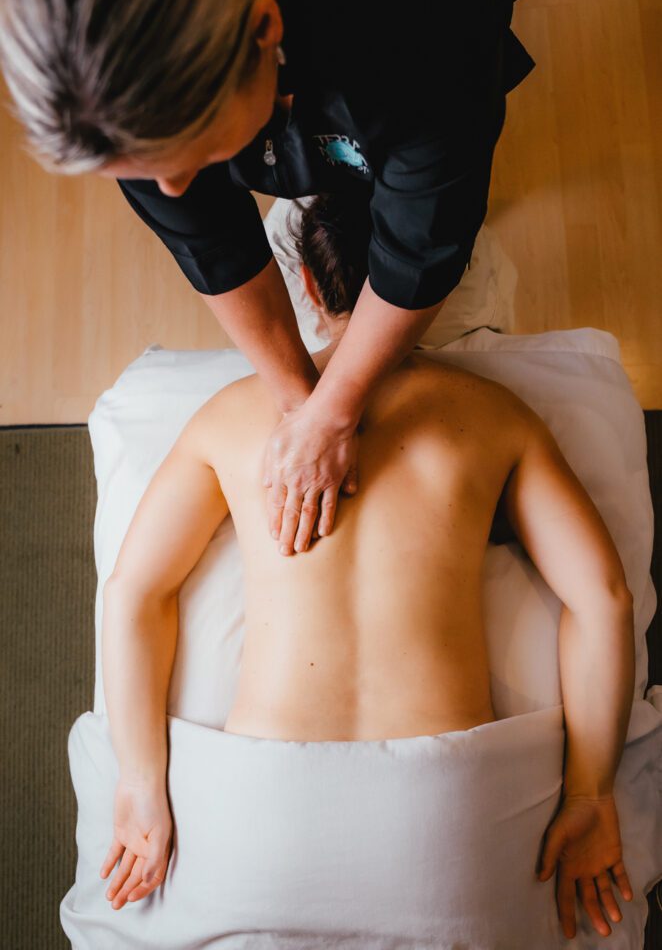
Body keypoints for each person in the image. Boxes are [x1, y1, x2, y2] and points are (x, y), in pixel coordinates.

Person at [99, 192, 635, 942]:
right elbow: (605, 598)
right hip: (443, 811)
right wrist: (591, 791)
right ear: (431, 290)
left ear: (309, 288)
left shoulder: (228, 416)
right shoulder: (493, 414)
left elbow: (132, 593)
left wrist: (138, 780)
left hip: (261, 806)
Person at [0, 0, 537, 555]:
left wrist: (337, 411)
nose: (172, 190)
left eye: (192, 152)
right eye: (137, 171)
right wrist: (297, 402)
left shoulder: (423, 18)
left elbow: (423, 247)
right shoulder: (107, 65)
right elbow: (211, 245)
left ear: (263, 26)